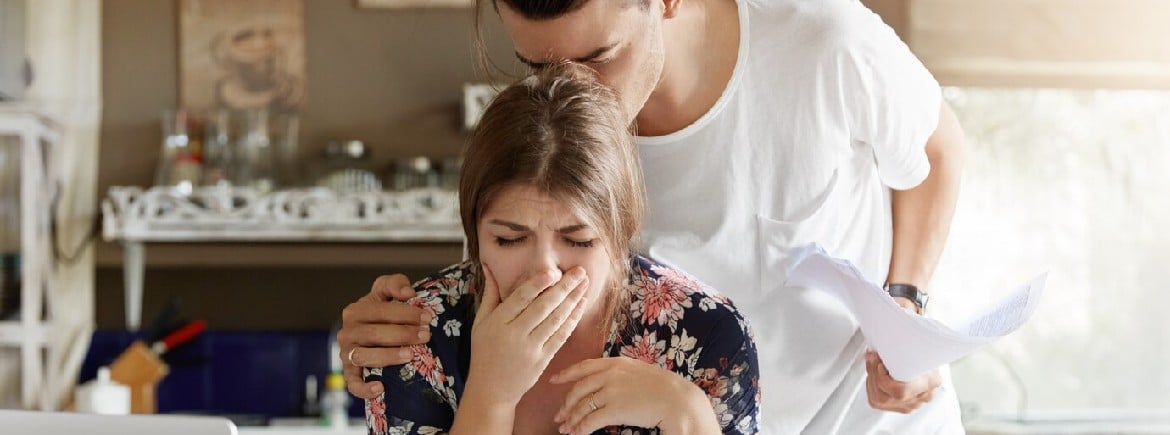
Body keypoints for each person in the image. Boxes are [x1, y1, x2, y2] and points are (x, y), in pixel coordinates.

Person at [338, 0, 968, 432]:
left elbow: (938, 149)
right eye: (540, 67)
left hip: (865, 416)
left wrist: (905, 305)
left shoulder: (825, 41)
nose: (570, 91)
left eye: (599, 57)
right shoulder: (556, 136)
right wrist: (391, 335)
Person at [362, 65, 760, 435]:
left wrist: (686, 413)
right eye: (510, 239)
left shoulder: (709, 335)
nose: (545, 272)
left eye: (578, 241)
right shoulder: (413, 337)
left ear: (620, 233)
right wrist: (490, 395)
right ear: (474, 231)